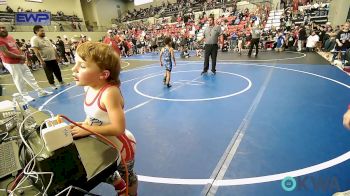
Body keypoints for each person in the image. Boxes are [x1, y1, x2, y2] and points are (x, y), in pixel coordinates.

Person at [70, 42, 138, 196]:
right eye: (75, 64)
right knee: (105, 172)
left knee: (129, 178)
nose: (74, 69)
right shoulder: (89, 88)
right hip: (105, 145)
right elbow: (93, 115)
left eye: (82, 66)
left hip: (121, 148)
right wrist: (84, 124)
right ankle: (119, 184)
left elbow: (118, 128)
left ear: (103, 75)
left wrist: (88, 129)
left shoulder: (110, 93)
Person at [0, 23, 51, 102]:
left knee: (29, 76)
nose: (2, 29)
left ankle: (40, 91)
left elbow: (17, 47)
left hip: (20, 60)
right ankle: (24, 96)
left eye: (3, 27)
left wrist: (23, 56)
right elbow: (6, 53)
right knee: (19, 78)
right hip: (11, 62)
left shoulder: (9, 37)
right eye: (0, 28)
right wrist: (20, 57)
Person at [31, 25, 67, 90]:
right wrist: (41, 60)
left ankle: (61, 82)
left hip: (53, 58)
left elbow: (52, 48)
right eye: (41, 31)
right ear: (36, 31)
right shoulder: (34, 39)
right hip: (45, 60)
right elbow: (36, 51)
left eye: (43, 30)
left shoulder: (46, 38)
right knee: (49, 73)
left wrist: (56, 56)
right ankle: (52, 84)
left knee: (57, 71)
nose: (43, 32)